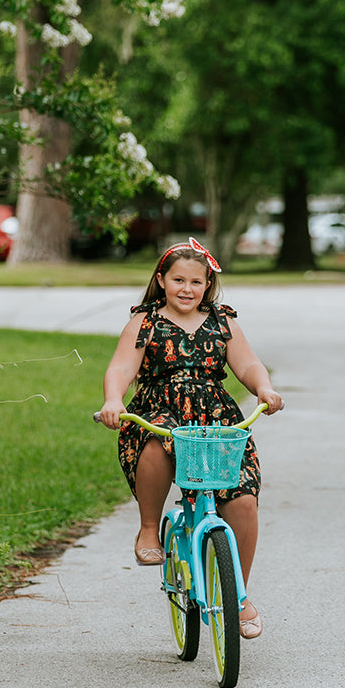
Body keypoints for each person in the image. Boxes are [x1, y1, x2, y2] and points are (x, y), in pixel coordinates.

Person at [99, 237, 283, 640]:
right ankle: (149, 527)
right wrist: (114, 399)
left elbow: (248, 363)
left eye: (196, 282)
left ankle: (237, 594)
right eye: (178, 279)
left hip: (214, 418)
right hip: (159, 411)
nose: (186, 289)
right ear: (162, 280)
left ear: (207, 285)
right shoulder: (145, 321)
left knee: (243, 499)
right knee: (155, 445)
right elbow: (121, 367)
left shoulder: (222, 321)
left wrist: (263, 389)